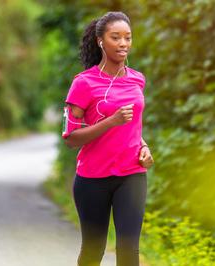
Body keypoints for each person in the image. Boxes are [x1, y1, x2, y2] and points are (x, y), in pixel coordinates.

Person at [62, 11, 154, 266]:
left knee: (129, 250)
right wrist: (110, 121)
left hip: (131, 175)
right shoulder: (83, 84)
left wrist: (144, 146)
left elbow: (133, 126)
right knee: (93, 250)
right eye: (116, 37)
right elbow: (71, 138)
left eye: (128, 37)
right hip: (93, 179)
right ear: (101, 41)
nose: (123, 43)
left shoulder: (137, 79)